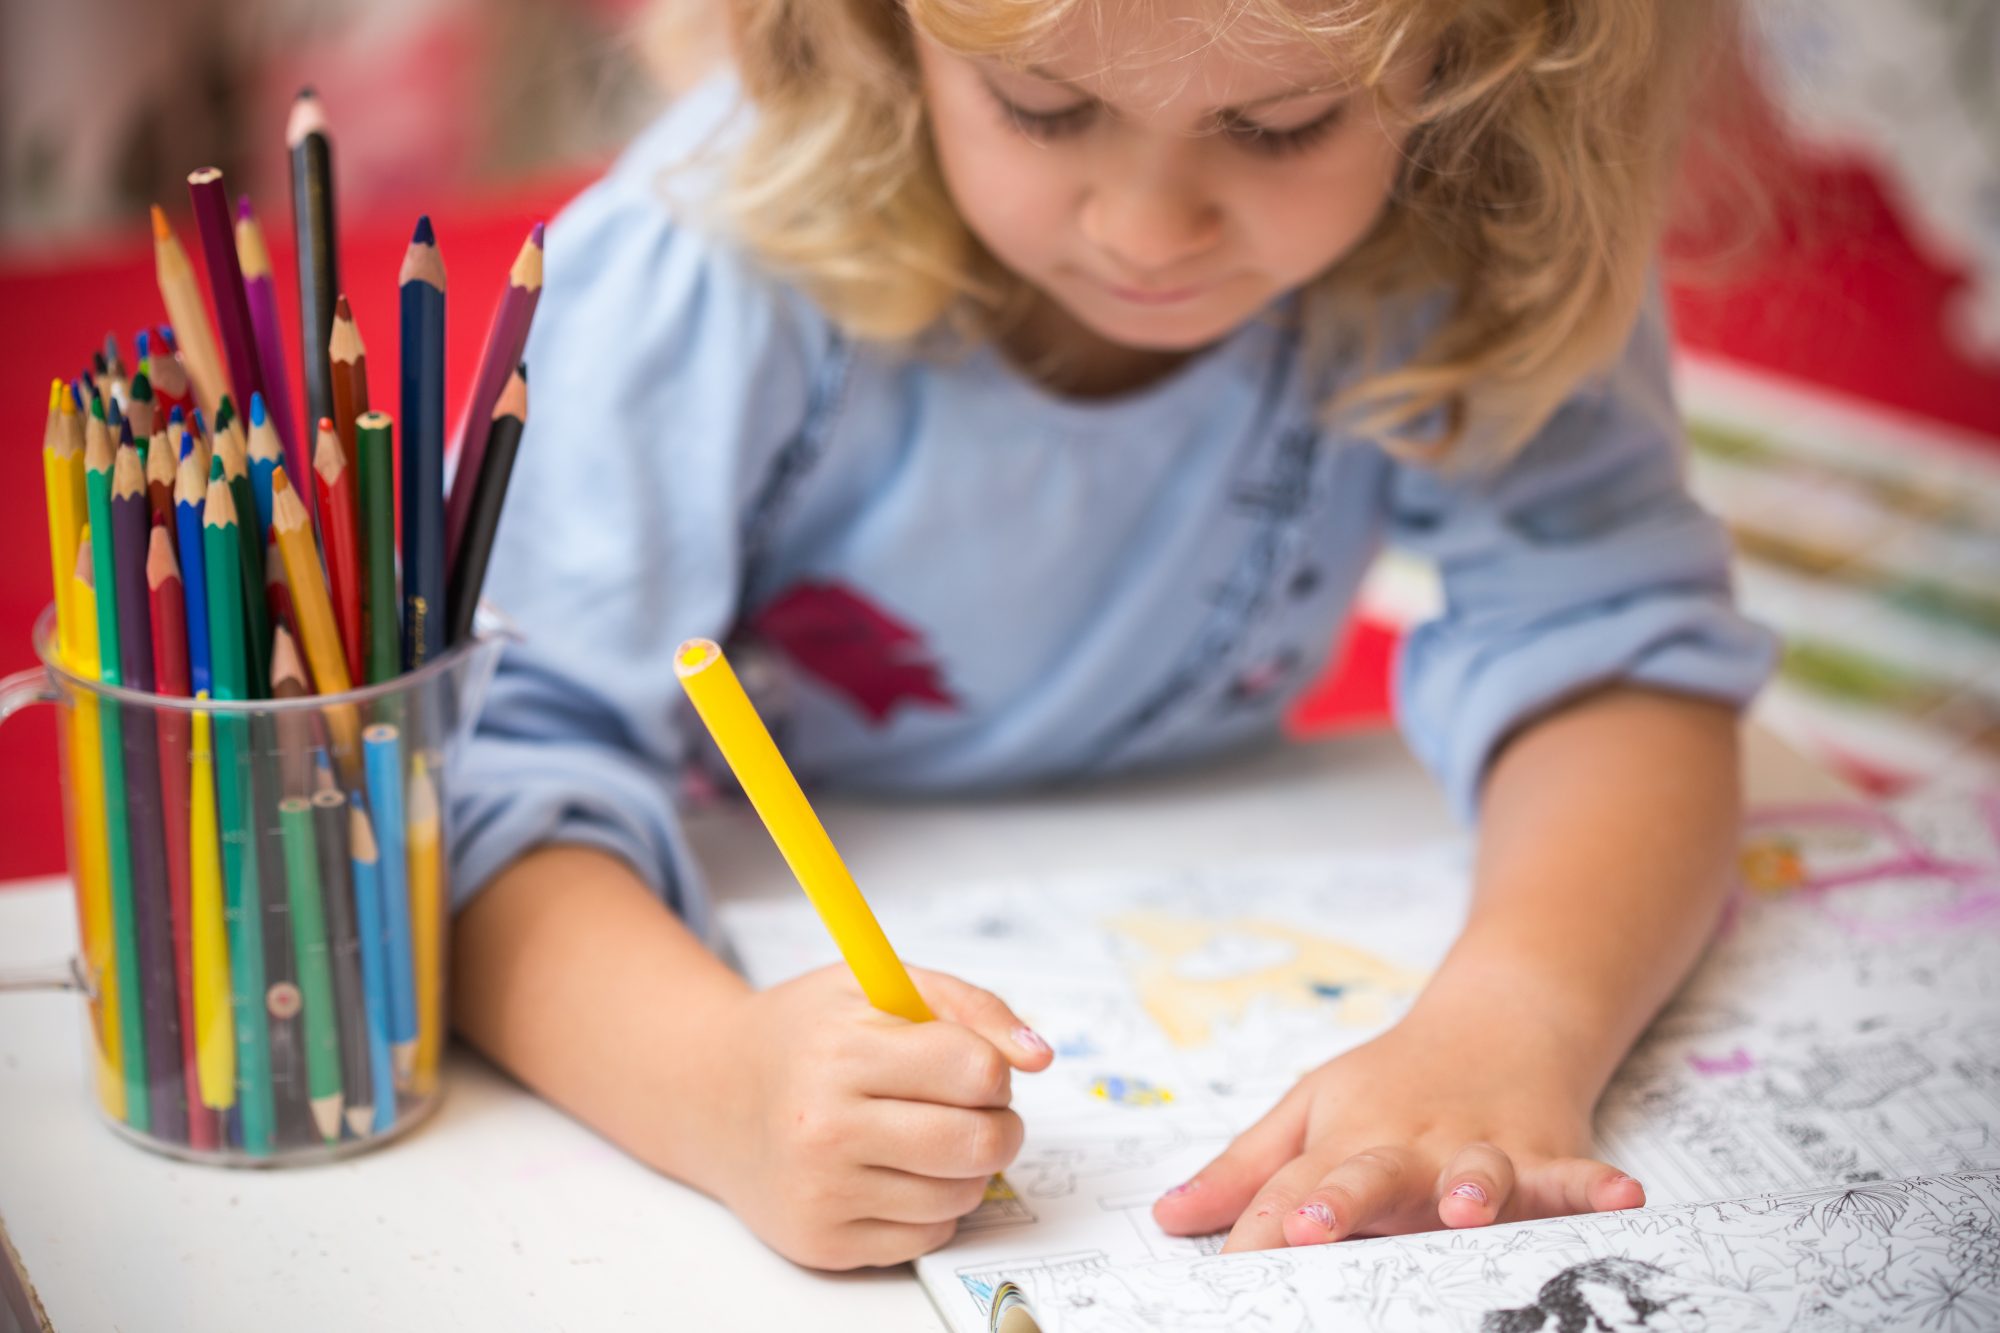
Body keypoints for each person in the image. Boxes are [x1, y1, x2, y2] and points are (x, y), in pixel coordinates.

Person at [447, 0, 1776, 1271]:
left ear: (1476, 50)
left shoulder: (1478, 209)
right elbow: (471, 785)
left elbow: (1609, 646)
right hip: (760, 940)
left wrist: (1517, 1021)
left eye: (1282, 126)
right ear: (877, 22)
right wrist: (713, 1082)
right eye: (1041, 105)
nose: (1148, 230)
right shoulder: (704, 255)